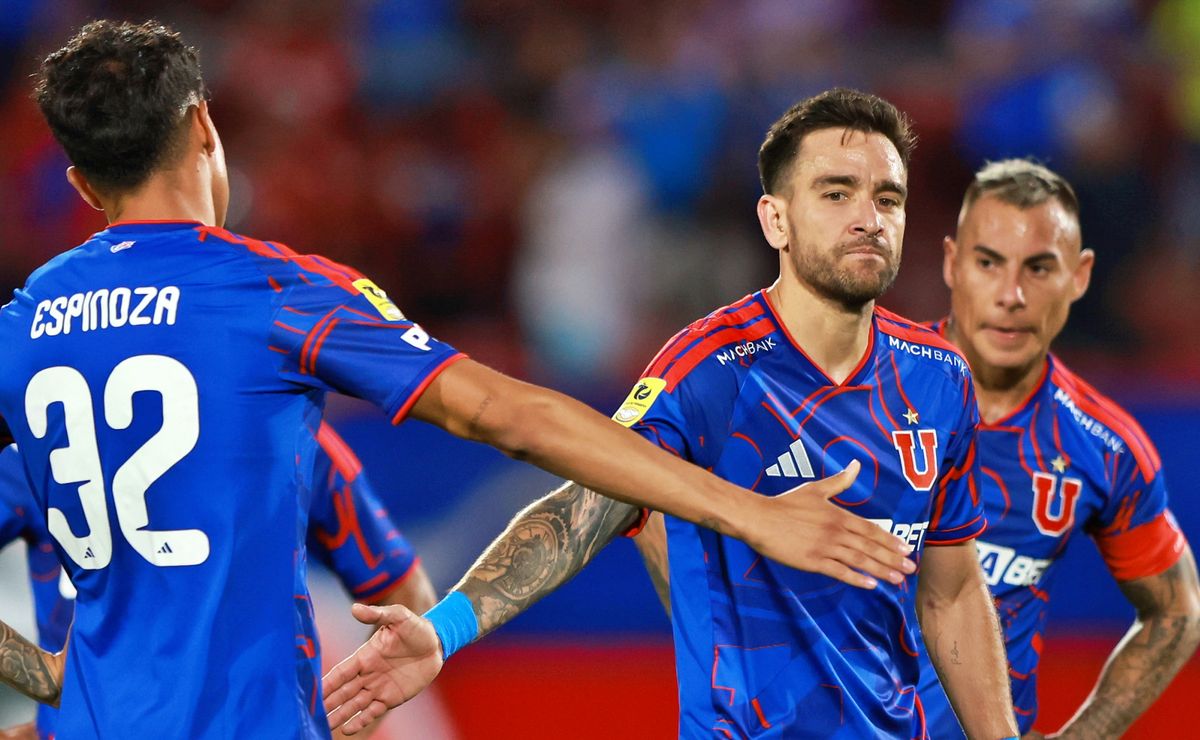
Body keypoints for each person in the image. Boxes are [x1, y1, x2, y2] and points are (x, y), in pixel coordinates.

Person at [0, 21, 911, 738]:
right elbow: (503, 414)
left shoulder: (24, 321)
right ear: (203, 123)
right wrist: (744, 508)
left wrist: (43, 672)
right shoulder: (271, 290)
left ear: (83, 183)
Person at [322, 88, 1020, 739]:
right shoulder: (712, 371)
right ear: (775, 219)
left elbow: (952, 589)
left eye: (887, 198)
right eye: (836, 193)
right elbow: (580, 514)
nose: (869, 218)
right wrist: (443, 632)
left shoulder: (940, 377)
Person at [913, 159, 1200, 737]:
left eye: (1039, 268)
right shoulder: (859, 387)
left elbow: (1177, 611)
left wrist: (1084, 735)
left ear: (1080, 275)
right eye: (988, 263)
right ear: (952, 263)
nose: (1011, 294)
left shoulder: (1105, 448)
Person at [0, 421, 436, 740]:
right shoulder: (38, 434)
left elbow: (405, 592)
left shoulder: (288, 427)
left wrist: (339, 728)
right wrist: (49, 688)